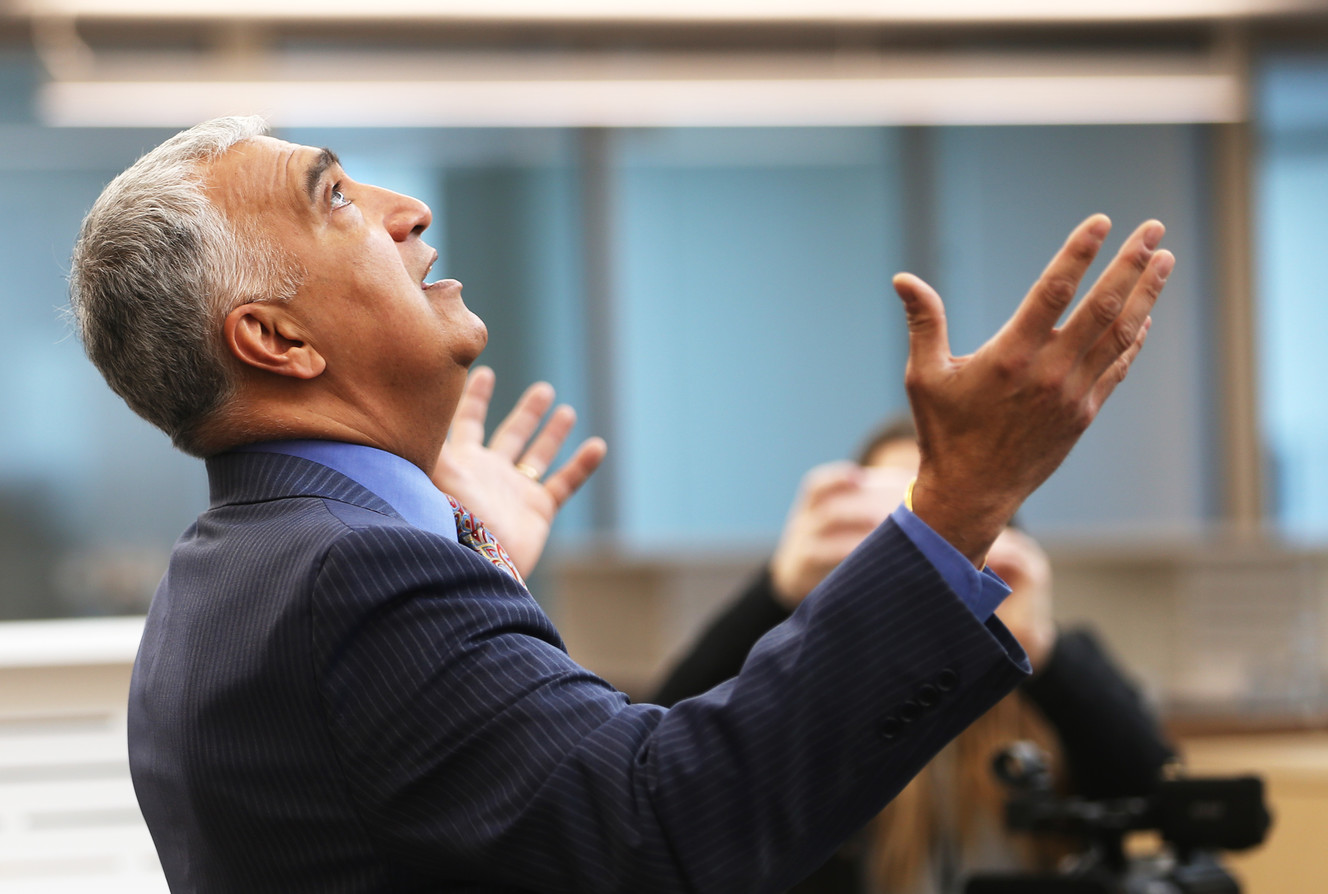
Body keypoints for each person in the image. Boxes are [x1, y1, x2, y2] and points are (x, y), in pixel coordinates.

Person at [67, 115, 1173, 893]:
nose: (407, 210)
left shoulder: (236, 562)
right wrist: (960, 503)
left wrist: (474, 552)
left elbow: (480, 813)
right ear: (275, 340)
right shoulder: (352, 577)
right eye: (339, 198)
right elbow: (666, 829)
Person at [651, 416, 1177, 893]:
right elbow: (662, 769)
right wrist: (778, 595)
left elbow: (1154, 789)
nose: (927, 544)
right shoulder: (820, 676)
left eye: (953, 505)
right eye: (900, 518)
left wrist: (1043, 650)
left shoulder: (1046, 671)